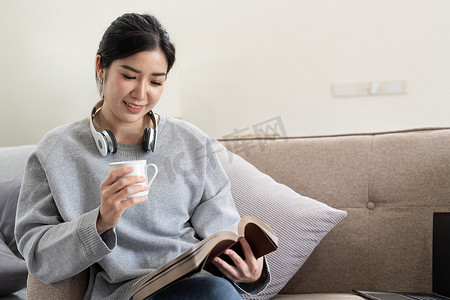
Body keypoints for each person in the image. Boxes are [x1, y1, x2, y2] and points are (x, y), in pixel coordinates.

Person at [15, 13, 270, 300]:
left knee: (218, 291)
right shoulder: (57, 150)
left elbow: (222, 226)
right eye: (129, 76)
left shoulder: (191, 141)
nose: (141, 93)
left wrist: (250, 270)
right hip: (129, 293)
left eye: (156, 82)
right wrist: (101, 221)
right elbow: (38, 257)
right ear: (101, 67)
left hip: (199, 285)